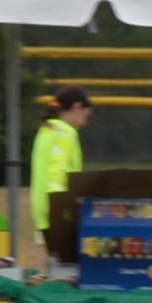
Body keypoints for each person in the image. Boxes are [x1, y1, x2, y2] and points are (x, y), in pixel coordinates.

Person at [28, 85, 93, 271]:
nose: (85, 123)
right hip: (59, 213)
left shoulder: (46, 130)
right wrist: (61, 212)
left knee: (56, 266)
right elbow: (57, 173)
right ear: (76, 107)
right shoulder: (65, 132)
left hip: (42, 211)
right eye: (85, 116)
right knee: (68, 271)